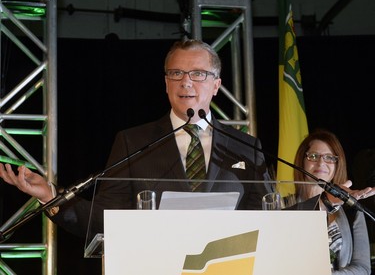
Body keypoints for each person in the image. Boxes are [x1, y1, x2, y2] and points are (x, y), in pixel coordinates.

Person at [0, 39, 271, 238]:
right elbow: (105, 219)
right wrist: (51, 196)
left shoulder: (245, 147)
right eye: (176, 73)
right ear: (166, 84)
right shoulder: (134, 142)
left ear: (216, 86)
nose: (186, 82)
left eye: (198, 74)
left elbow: (269, 218)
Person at [293, 129, 372, 274]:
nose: (321, 162)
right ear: (301, 162)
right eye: (314, 156)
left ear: (337, 165)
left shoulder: (351, 209)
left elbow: (363, 268)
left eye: (329, 157)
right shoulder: (284, 206)